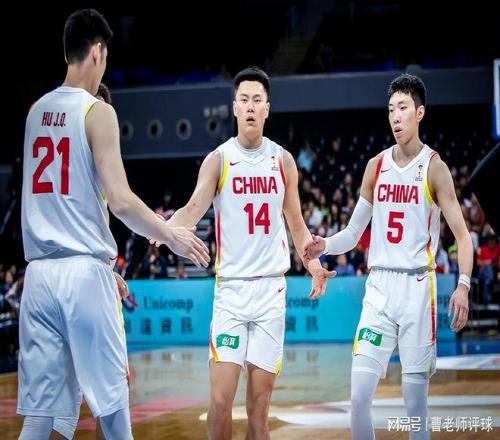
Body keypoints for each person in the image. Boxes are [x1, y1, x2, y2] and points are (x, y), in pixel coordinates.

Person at [19, 9, 209, 440]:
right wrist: (170, 235)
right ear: (98, 53)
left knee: (40, 417)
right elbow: (120, 201)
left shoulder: (34, 112)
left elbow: (59, 198)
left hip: (39, 278)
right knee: (113, 407)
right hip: (83, 276)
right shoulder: (97, 111)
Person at [156, 66, 335, 439]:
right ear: (234, 107)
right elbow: (192, 209)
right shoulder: (219, 159)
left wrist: (315, 265)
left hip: (271, 291)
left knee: (259, 408)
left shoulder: (283, 161)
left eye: (257, 100)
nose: (251, 106)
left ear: (267, 108)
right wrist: (162, 230)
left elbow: (297, 225)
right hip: (232, 292)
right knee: (220, 402)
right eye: (244, 100)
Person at [304, 73, 473, 439]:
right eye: (391, 109)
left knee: (415, 407)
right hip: (379, 288)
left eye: (403, 108)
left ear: (420, 113)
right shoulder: (376, 166)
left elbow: (463, 237)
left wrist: (463, 286)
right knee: (358, 396)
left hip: (417, 287)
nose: (395, 116)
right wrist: (324, 245)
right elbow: (352, 233)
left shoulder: (435, 168)